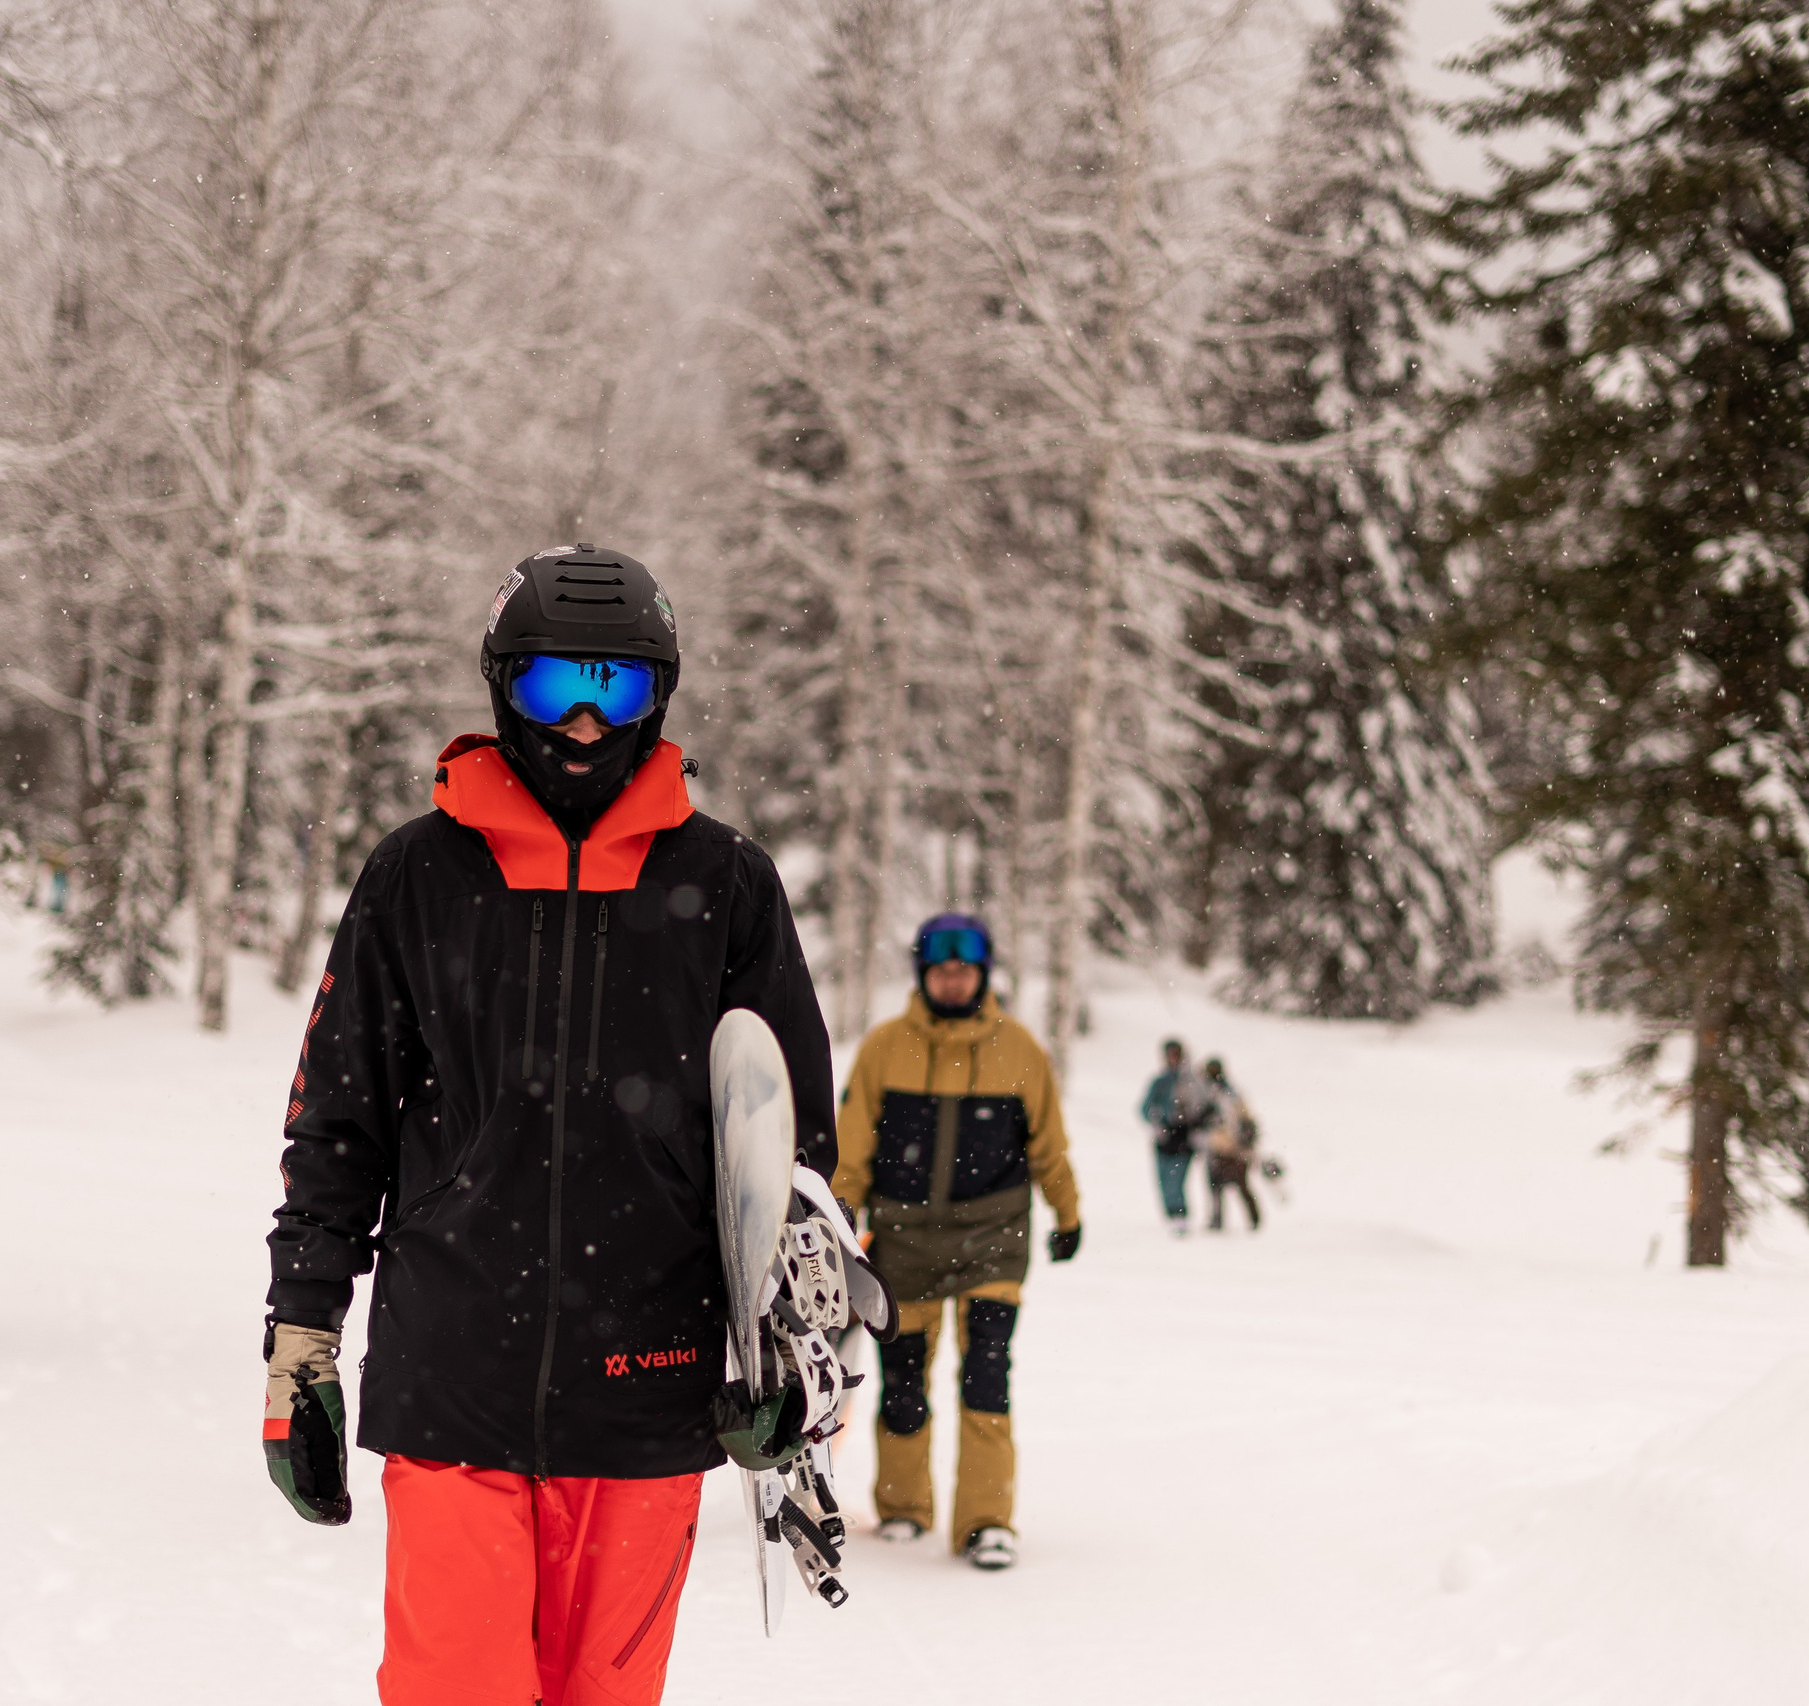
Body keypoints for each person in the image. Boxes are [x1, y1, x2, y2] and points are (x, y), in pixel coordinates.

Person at [259, 544, 837, 1706]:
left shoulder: (725, 884)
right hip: (452, 1375)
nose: (583, 721)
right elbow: (337, 1125)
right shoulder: (417, 875)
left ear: (658, 696)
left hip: (650, 1389)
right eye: (552, 684)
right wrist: (300, 1341)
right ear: (500, 684)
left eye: (615, 687)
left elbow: (790, 1148)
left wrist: (789, 1347)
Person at [832, 913, 1081, 1571]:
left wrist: (1068, 1214)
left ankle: (986, 1521)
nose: (952, 981)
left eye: (963, 970)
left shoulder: (1019, 1050)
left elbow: (1049, 1144)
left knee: (986, 1373)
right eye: (941, 971)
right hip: (903, 1243)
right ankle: (904, 1509)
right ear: (923, 975)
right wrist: (837, 1216)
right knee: (904, 1381)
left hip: (993, 1239)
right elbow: (852, 1146)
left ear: (982, 974)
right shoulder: (885, 1048)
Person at [1139, 1037, 1207, 1233]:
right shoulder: (1160, 1082)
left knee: (1177, 1178)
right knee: (1164, 1178)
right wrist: (1156, 1123)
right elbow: (1145, 1108)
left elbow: (1205, 1107)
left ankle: (1179, 1214)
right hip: (1165, 1137)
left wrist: (1197, 1129)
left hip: (1185, 1137)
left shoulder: (1193, 1081)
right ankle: (1172, 1213)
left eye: (1176, 1054)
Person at [1198, 1056, 1262, 1233]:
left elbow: (1245, 1117)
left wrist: (1247, 1137)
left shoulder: (1230, 1094)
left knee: (1240, 1184)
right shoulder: (1205, 1094)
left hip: (1233, 1147)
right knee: (1216, 1186)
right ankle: (1218, 1219)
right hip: (1216, 1146)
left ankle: (1253, 1219)